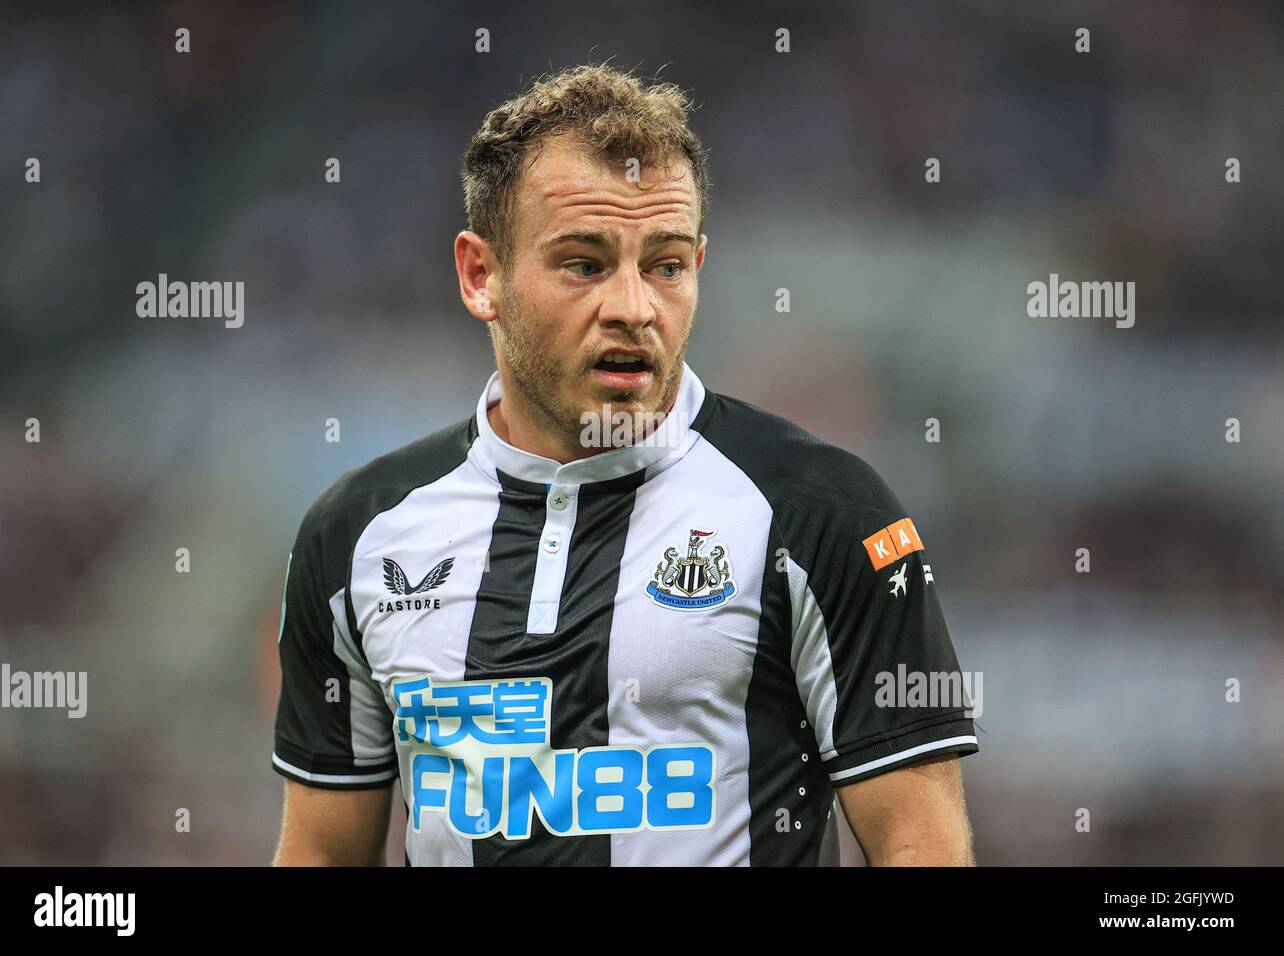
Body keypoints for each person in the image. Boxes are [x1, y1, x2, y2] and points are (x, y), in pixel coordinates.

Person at [271, 63, 977, 866]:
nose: (635, 307)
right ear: (481, 275)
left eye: (666, 265)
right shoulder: (358, 535)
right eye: (584, 263)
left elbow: (919, 843)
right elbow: (324, 854)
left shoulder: (824, 511)